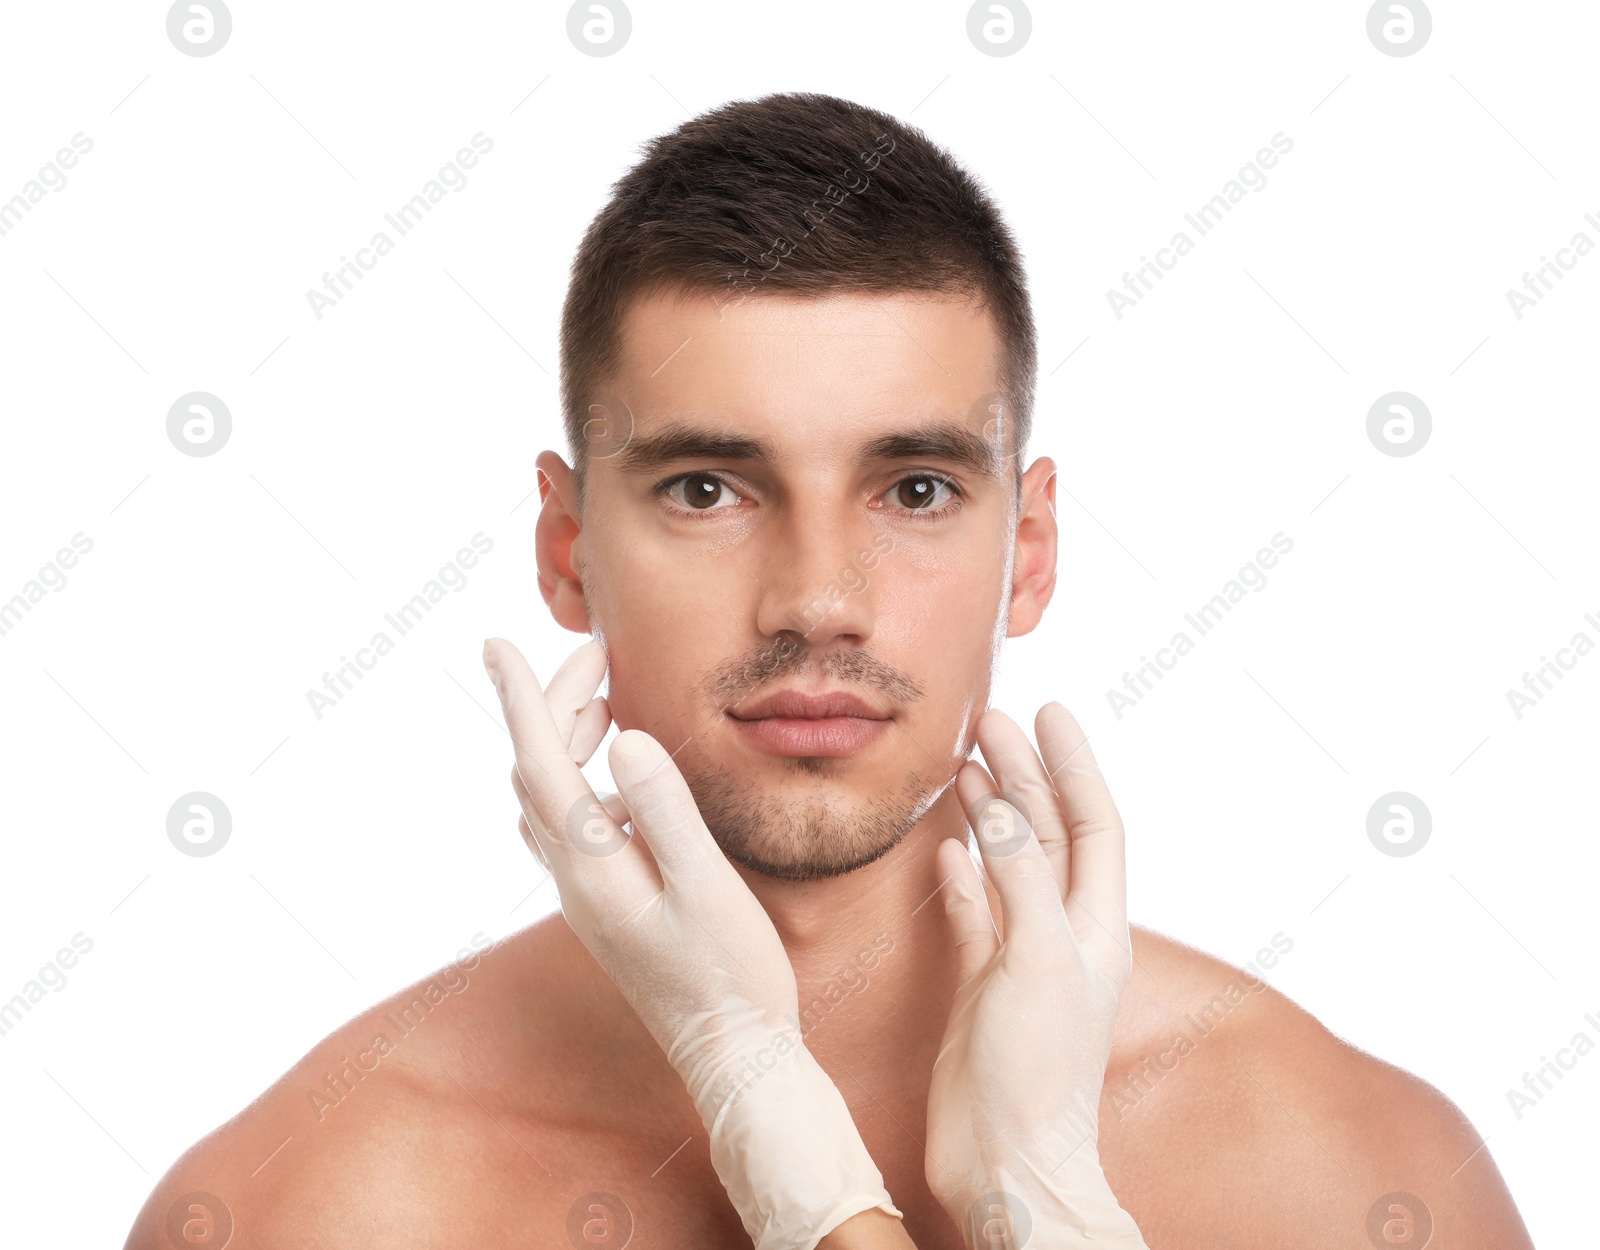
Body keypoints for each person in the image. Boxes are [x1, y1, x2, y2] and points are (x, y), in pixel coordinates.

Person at [125, 92, 1533, 1249]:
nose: (817, 600)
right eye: (705, 489)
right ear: (566, 546)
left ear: (1028, 548)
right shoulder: (310, 1209)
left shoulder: (1353, 1183)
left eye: (913, 490)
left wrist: (1032, 1200)